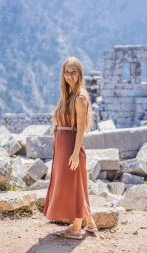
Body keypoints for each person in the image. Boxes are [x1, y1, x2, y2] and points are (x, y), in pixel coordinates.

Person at [43, 56, 98, 240]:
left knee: (73, 185)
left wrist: (75, 154)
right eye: (66, 72)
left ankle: (76, 228)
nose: (70, 76)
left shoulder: (80, 97)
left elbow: (81, 127)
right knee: (78, 183)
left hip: (71, 147)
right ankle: (89, 222)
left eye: (73, 72)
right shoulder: (68, 94)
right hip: (63, 145)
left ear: (79, 73)